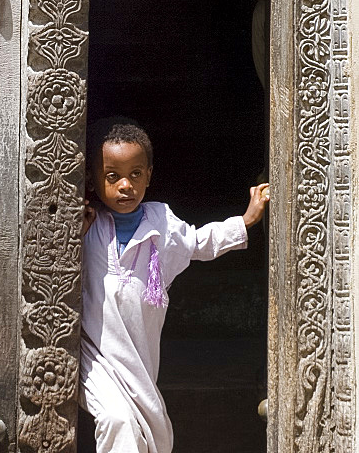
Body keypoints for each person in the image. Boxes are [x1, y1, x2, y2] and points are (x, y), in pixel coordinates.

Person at [80, 120, 270, 453]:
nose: (126, 185)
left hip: (138, 360)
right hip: (92, 358)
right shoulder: (87, 224)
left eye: (136, 174)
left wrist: (246, 220)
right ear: (92, 180)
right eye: (113, 176)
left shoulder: (161, 224)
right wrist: (74, 232)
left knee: (150, 433)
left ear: (149, 175)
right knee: (117, 420)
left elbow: (198, 242)